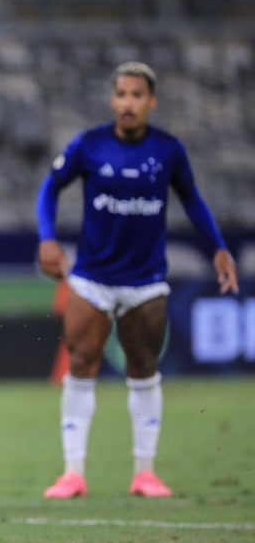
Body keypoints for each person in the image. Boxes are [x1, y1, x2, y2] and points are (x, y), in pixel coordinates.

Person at [36, 62, 238, 499]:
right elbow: (50, 189)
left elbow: (193, 200)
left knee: (144, 368)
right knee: (82, 364)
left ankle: (145, 473)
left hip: (146, 281)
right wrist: (48, 239)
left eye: (136, 95)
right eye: (122, 94)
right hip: (92, 278)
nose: (128, 103)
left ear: (151, 101)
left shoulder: (168, 150)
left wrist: (219, 246)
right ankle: (73, 473)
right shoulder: (89, 145)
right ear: (113, 100)